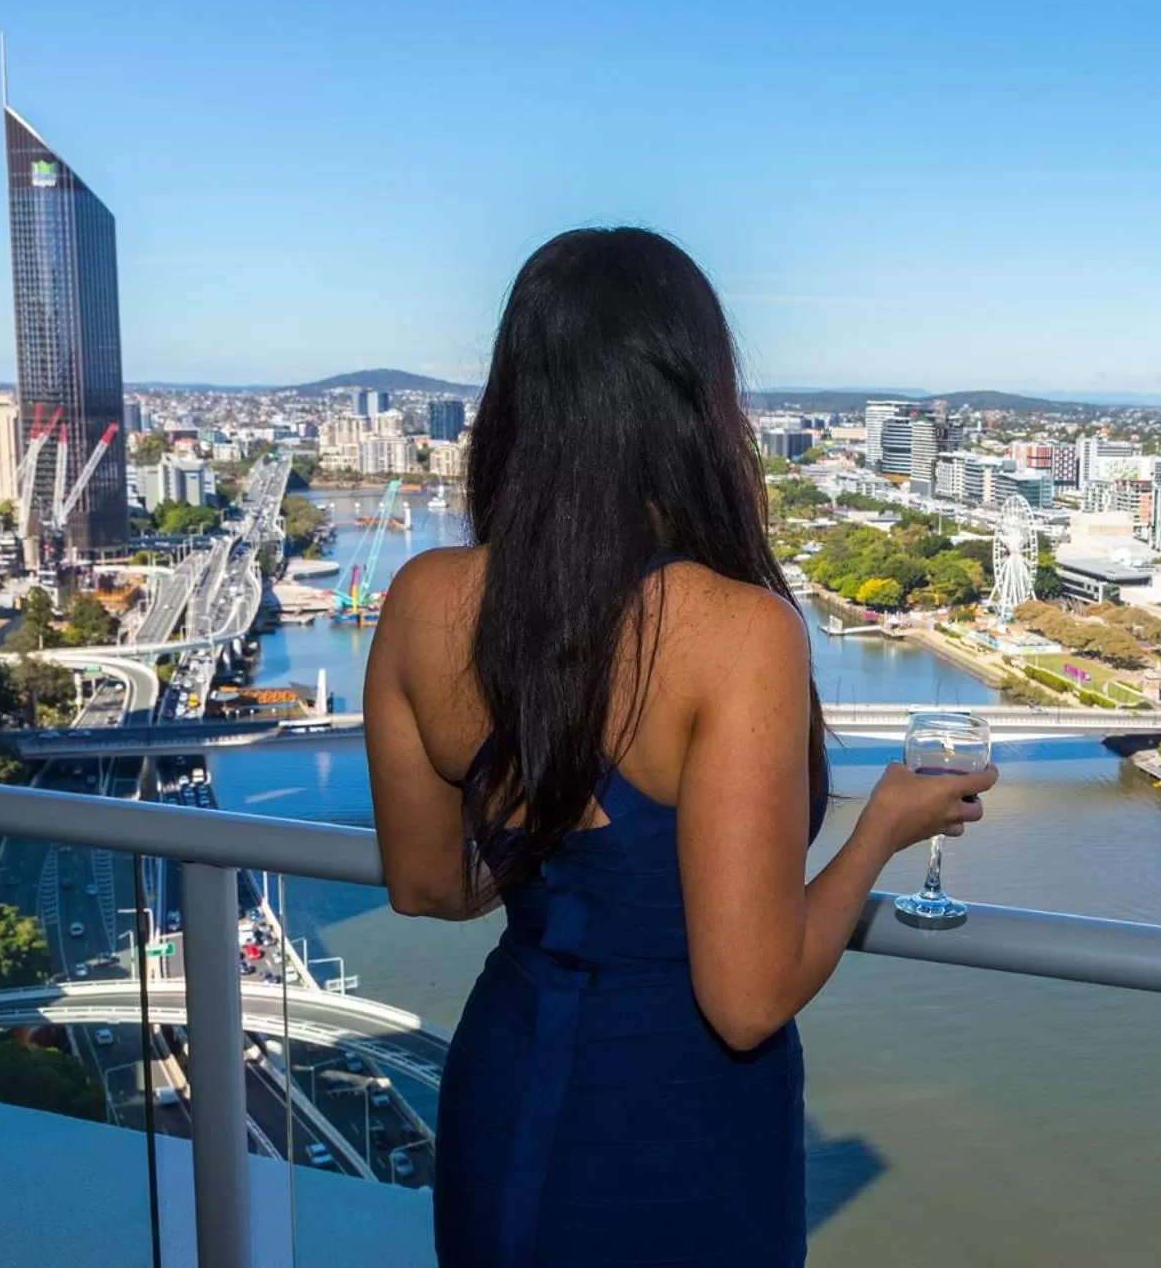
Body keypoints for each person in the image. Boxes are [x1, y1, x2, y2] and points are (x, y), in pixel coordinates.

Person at [363, 227, 996, 1267]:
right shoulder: (737, 630)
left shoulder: (424, 600)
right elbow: (746, 1001)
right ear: (695, 399)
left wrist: (558, 863)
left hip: (507, 1078)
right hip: (672, 1120)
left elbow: (429, 884)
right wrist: (881, 829)